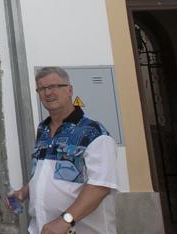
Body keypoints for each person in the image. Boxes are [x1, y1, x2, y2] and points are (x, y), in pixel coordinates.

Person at [10, 67, 118, 234]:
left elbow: (100, 187)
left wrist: (64, 221)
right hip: (40, 229)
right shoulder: (43, 130)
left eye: (54, 86)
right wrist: (23, 193)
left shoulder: (94, 132)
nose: (48, 93)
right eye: (42, 89)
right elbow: (45, 173)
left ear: (69, 90)